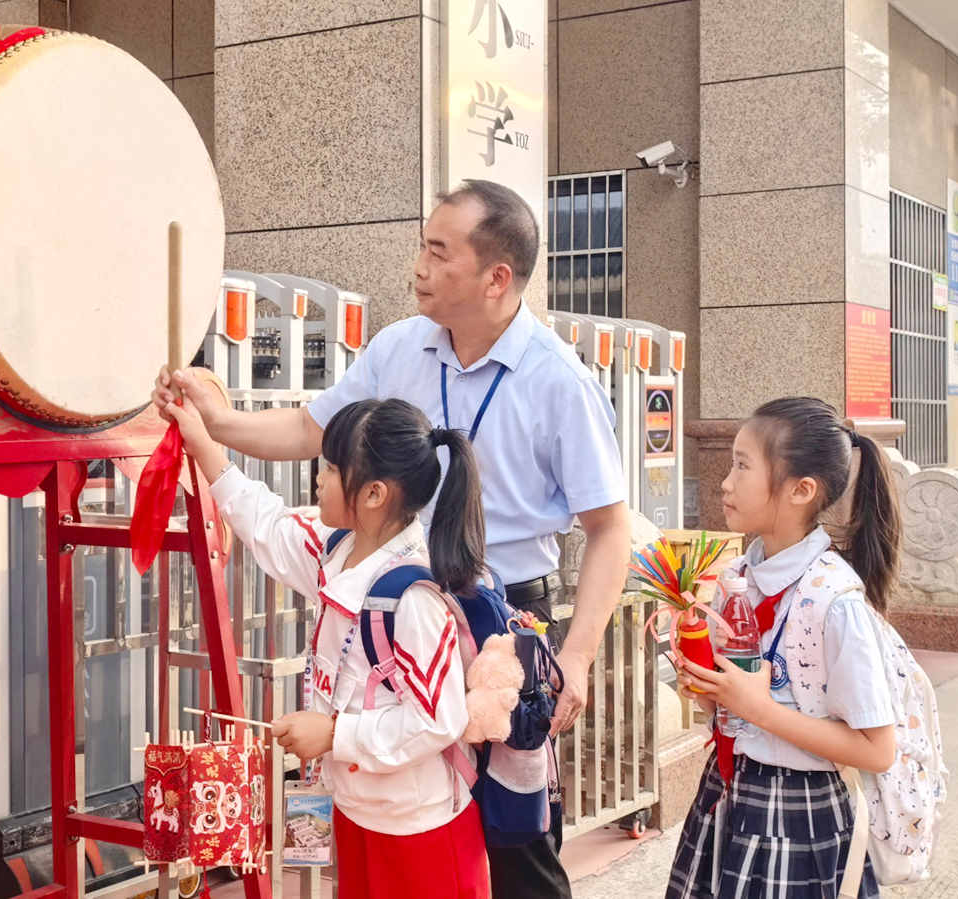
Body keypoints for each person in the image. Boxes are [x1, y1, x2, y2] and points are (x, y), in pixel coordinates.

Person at [155, 179, 630, 898]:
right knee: (406, 816)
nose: (418, 265)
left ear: (496, 278)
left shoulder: (558, 380)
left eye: (439, 253)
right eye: (422, 245)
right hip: (397, 595)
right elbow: (315, 430)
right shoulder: (400, 346)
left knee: (513, 837)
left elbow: (608, 526)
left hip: (499, 626)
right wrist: (216, 426)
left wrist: (578, 656)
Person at [168, 395, 490, 899]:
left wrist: (334, 733)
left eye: (332, 468)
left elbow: (437, 720)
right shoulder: (335, 546)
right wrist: (202, 442)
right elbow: (267, 526)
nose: (319, 478)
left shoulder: (413, 600)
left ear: (375, 494)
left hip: (419, 830)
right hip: (358, 809)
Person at [667, 397, 902, 899]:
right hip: (728, 791)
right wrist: (706, 681)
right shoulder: (738, 578)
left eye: (742, 465)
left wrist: (757, 707)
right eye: (731, 463)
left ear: (802, 490)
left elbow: (877, 750)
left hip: (799, 813)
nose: (725, 481)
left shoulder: (835, 603)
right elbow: (729, 706)